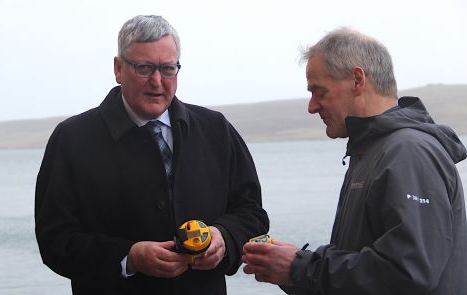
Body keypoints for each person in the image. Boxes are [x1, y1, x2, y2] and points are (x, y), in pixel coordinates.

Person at [35, 15, 269, 295]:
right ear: (118, 69)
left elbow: (252, 213)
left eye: (168, 69)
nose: (157, 81)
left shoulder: (215, 130)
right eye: (144, 68)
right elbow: (55, 241)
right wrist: (129, 257)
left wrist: (224, 238)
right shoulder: (71, 139)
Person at [242, 27, 467, 294]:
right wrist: (292, 272)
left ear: (358, 80)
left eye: (319, 92)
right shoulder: (371, 151)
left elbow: (408, 273)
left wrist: (300, 268)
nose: (311, 106)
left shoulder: (408, 152)